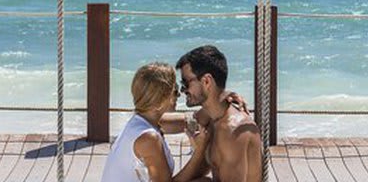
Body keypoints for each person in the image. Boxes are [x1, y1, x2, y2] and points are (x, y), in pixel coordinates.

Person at [101, 62, 210, 182]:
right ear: (161, 98)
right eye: (175, 91)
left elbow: (193, 119)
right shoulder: (149, 138)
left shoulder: (143, 120)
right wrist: (199, 150)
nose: (179, 95)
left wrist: (220, 99)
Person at [176, 45, 262, 182]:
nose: (182, 90)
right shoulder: (211, 115)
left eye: (185, 82)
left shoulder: (232, 130)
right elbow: (162, 121)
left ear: (206, 81)